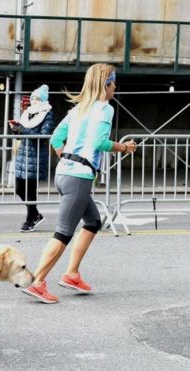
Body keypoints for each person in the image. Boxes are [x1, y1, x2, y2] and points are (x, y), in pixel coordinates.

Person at [21, 63, 137, 304]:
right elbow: (99, 143)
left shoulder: (78, 109)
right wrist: (124, 147)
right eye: (114, 83)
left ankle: (72, 274)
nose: (115, 87)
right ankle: (37, 282)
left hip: (65, 174)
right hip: (79, 177)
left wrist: (66, 158)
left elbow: (56, 138)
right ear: (107, 84)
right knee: (63, 232)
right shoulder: (105, 109)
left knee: (93, 221)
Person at [9, 84, 55, 232]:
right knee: (19, 189)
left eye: (37, 99)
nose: (34, 101)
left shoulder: (47, 114)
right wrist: (16, 130)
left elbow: (43, 137)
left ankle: (30, 219)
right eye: (32, 98)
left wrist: (23, 130)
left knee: (30, 191)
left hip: (36, 157)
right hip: (23, 155)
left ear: (43, 100)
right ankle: (36, 214)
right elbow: (20, 136)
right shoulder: (27, 113)